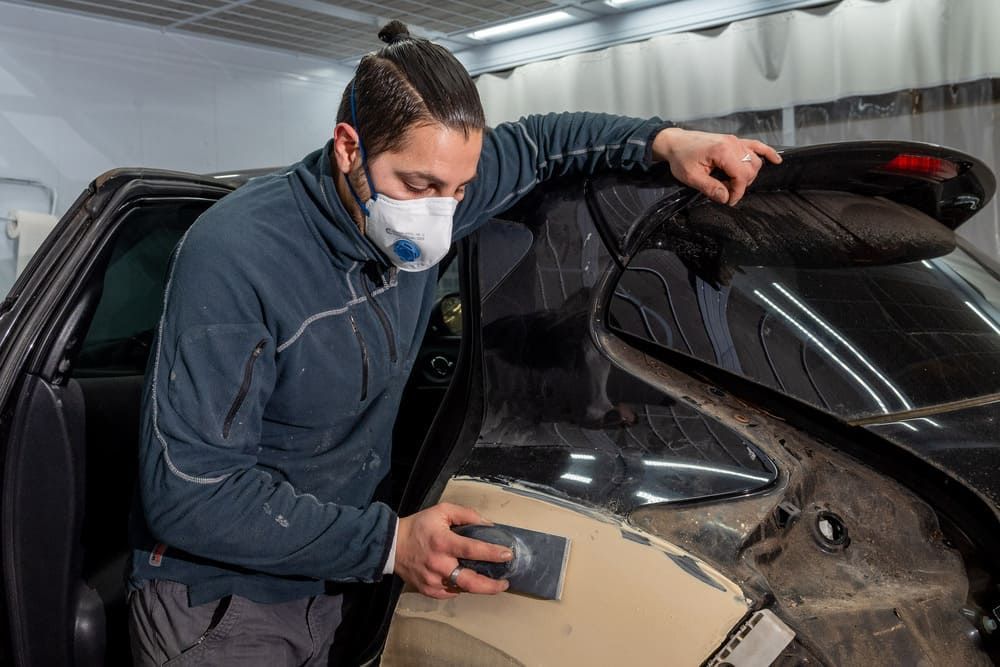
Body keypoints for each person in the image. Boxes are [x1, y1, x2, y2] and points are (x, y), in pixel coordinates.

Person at [127, 19, 780, 666]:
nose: (441, 215)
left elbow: (540, 145)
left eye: (460, 188)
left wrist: (665, 140)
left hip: (334, 584)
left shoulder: (419, 198)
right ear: (348, 148)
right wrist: (390, 543)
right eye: (421, 186)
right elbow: (190, 490)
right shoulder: (236, 256)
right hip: (223, 603)